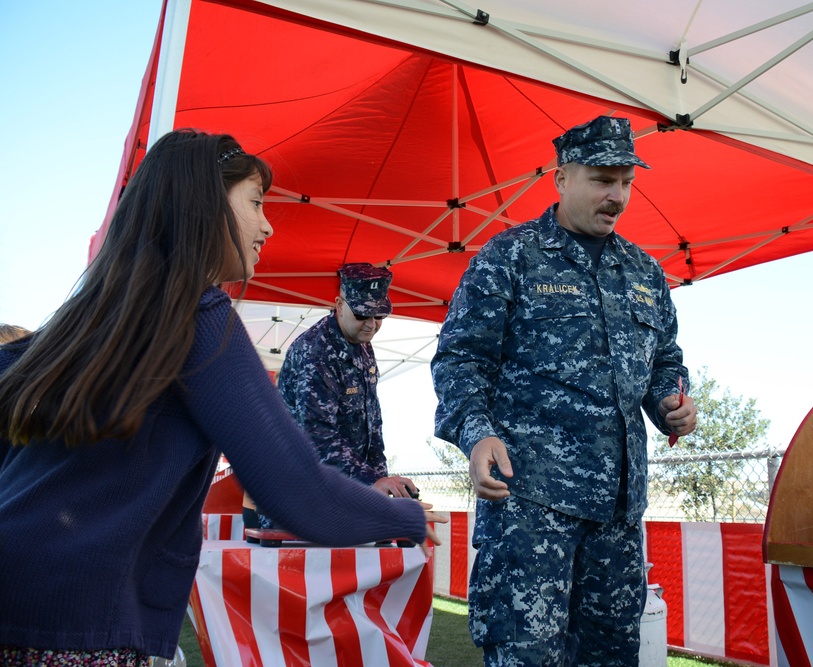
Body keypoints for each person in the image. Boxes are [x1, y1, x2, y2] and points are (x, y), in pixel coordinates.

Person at [0, 129, 446, 664]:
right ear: (205, 204)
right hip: (80, 622)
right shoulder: (198, 317)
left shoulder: (76, 323)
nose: (268, 223)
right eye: (256, 203)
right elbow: (302, 494)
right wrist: (411, 519)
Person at [431, 115, 697, 666]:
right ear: (561, 177)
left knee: (612, 656)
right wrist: (476, 435)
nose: (617, 196)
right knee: (526, 655)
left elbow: (664, 361)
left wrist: (673, 401)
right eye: (603, 179)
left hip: (617, 514)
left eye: (626, 181)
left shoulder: (645, 272)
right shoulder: (512, 257)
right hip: (530, 506)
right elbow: (460, 359)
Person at [277, 263, 417, 497]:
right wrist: (373, 481)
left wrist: (383, 484)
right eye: (362, 314)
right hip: (301, 495)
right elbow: (316, 435)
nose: (372, 324)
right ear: (339, 306)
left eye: (379, 315)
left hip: (346, 491)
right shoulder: (315, 352)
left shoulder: (361, 344)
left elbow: (372, 425)